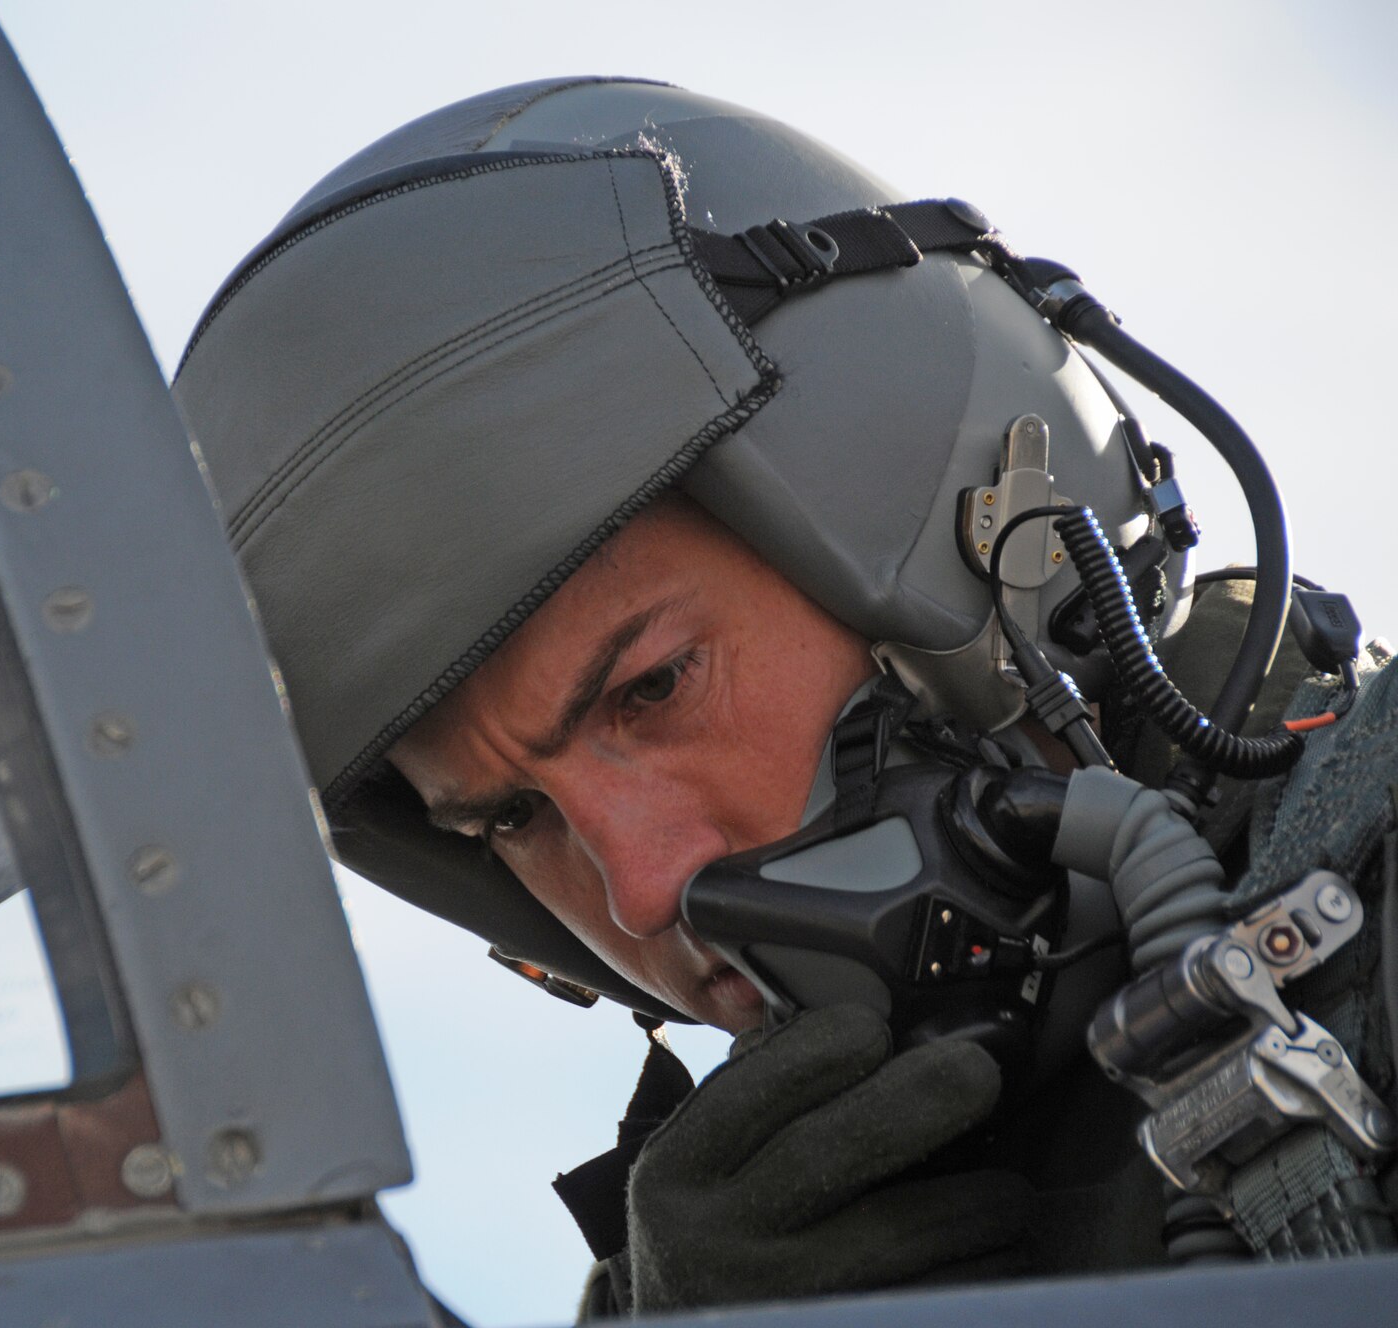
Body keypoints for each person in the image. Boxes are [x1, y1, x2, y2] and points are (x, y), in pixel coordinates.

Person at [171, 78, 1395, 1313]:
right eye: (508, 819)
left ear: (982, 545)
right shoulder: (720, 1267)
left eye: (650, 686)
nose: (638, 890)